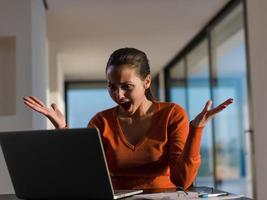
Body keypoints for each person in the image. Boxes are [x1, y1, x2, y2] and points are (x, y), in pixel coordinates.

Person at [23, 47, 233, 191]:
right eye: (112, 86)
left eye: (127, 87)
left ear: (147, 81)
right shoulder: (100, 122)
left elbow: (183, 180)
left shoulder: (171, 114)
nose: (118, 95)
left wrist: (196, 129)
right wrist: (62, 130)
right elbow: (82, 173)